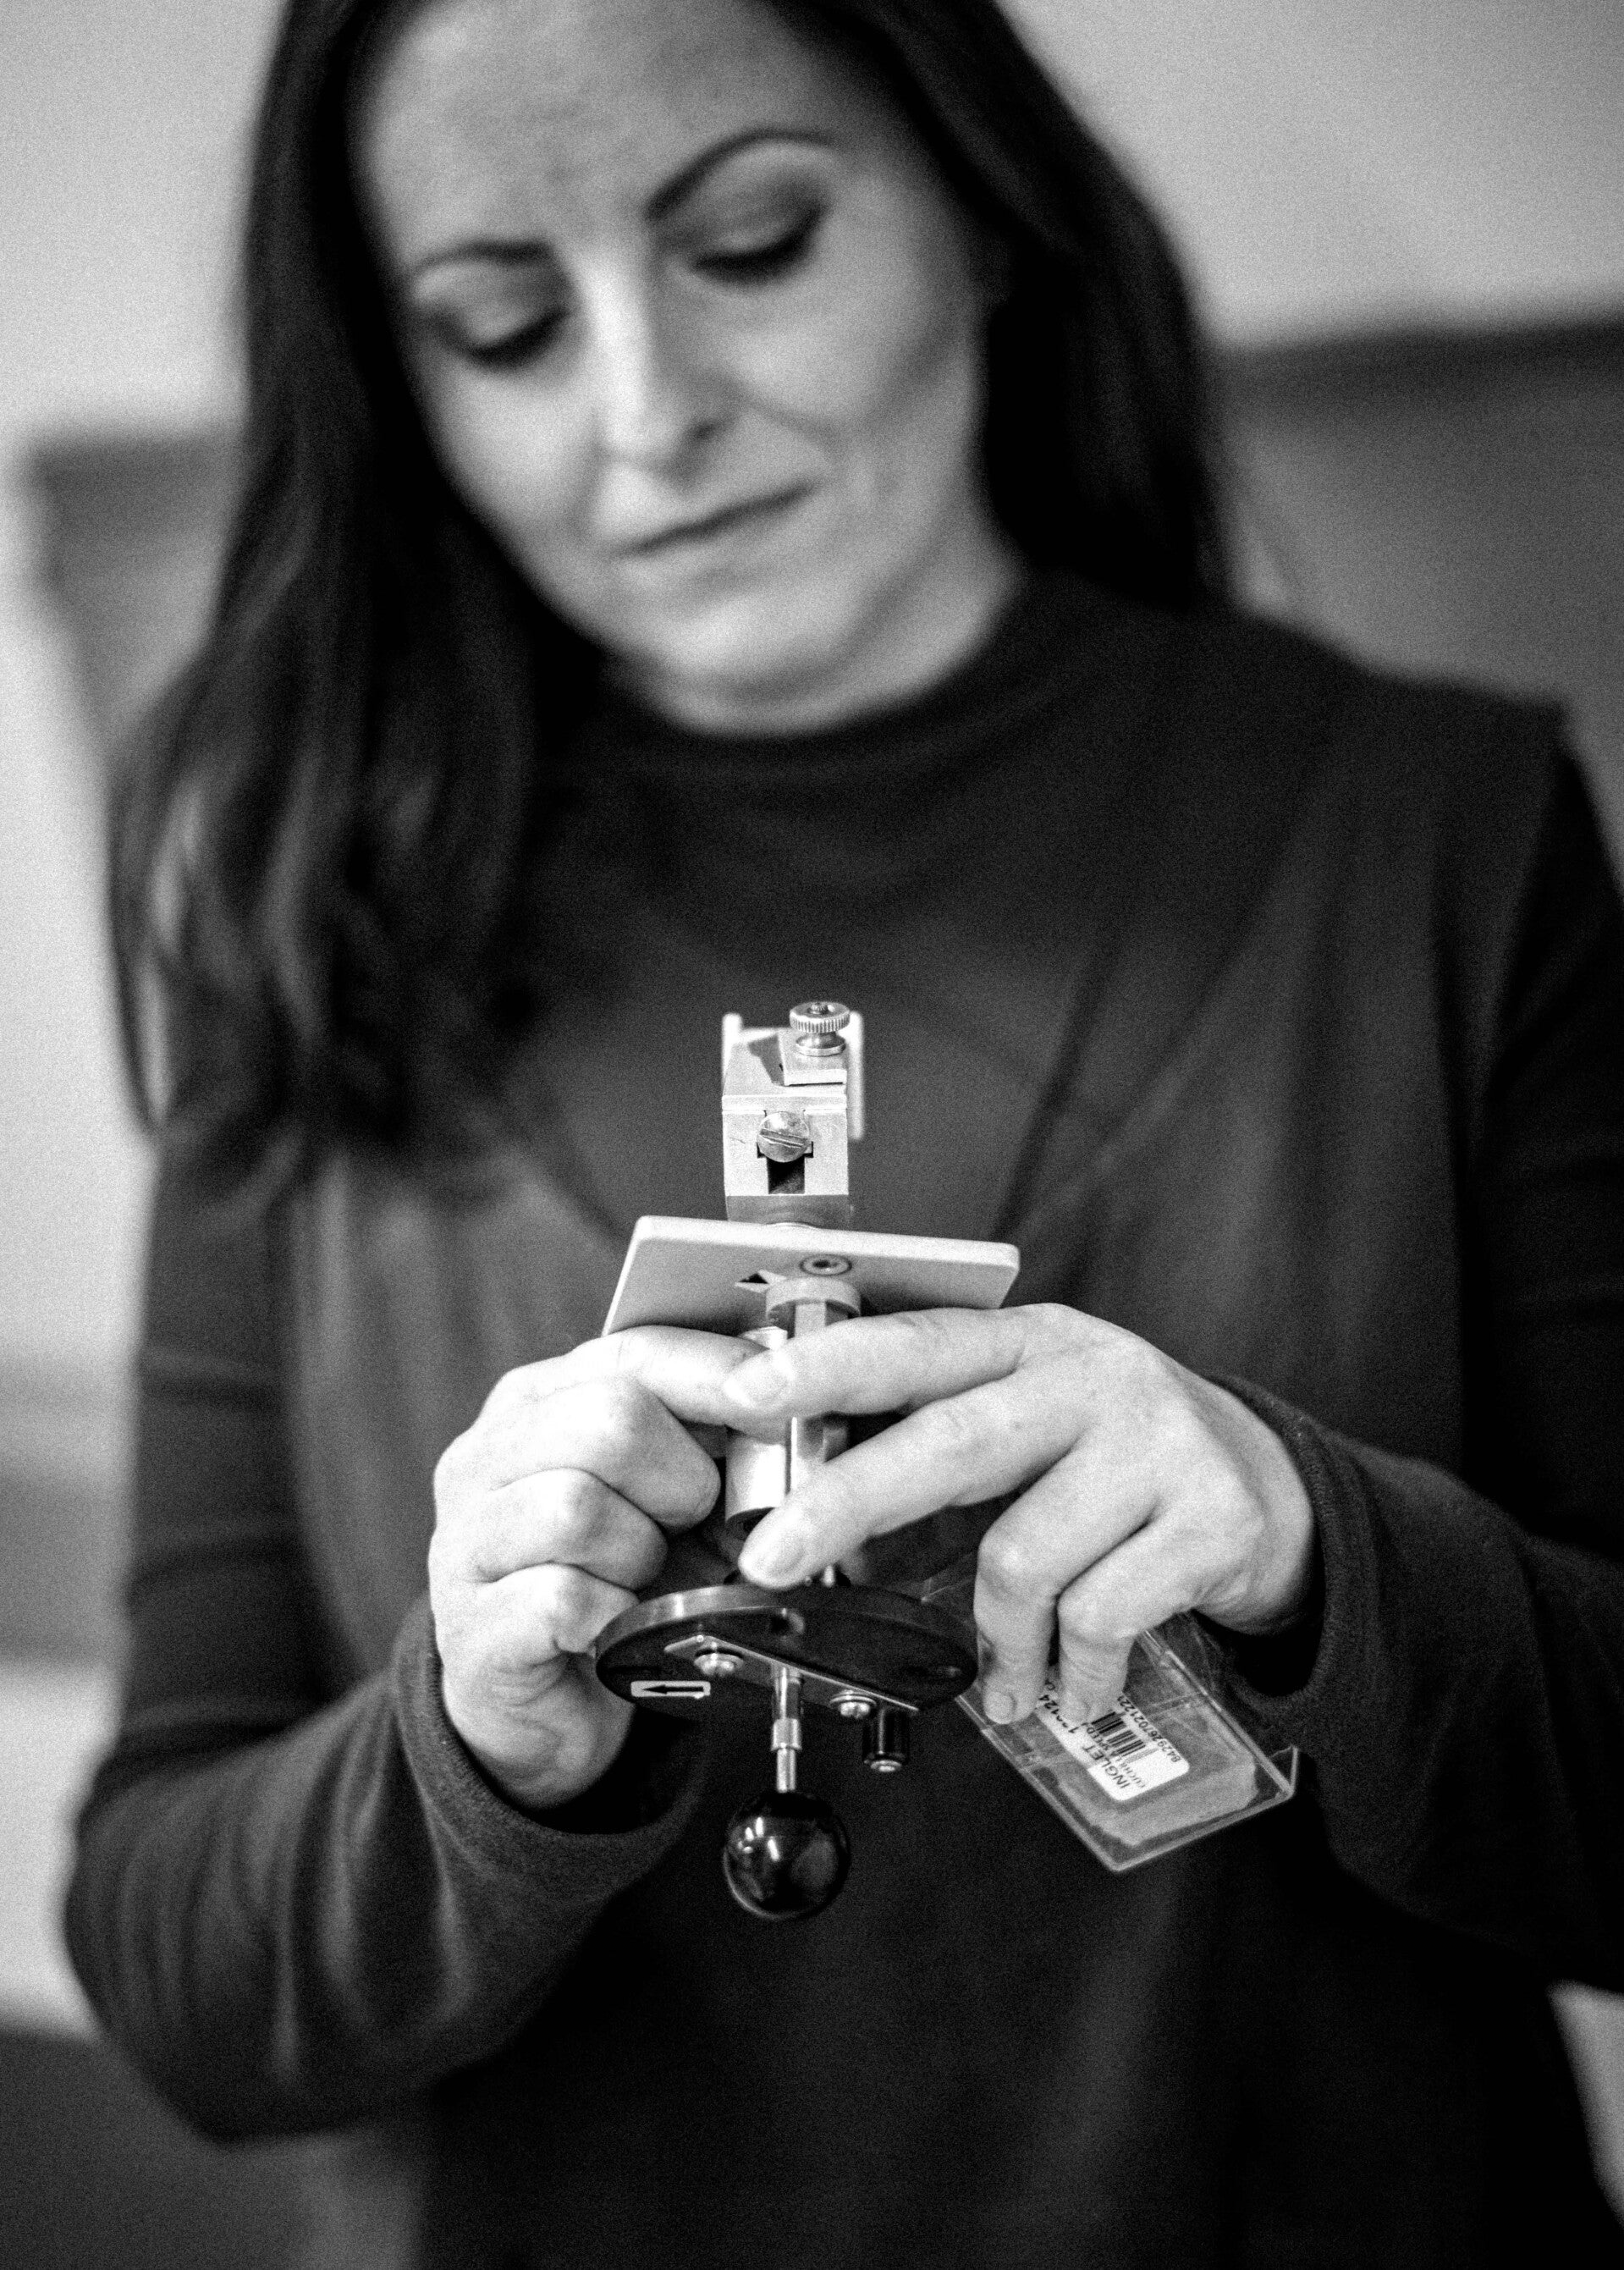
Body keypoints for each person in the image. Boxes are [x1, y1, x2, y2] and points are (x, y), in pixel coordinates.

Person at [66, 0, 1624, 2262]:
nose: (647, 414)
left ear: (985, 218)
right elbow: (179, 1989)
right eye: (503, 326)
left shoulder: (1443, 842)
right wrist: (467, 1757)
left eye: (754, 242)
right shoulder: (309, 914)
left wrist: (1319, 1551)